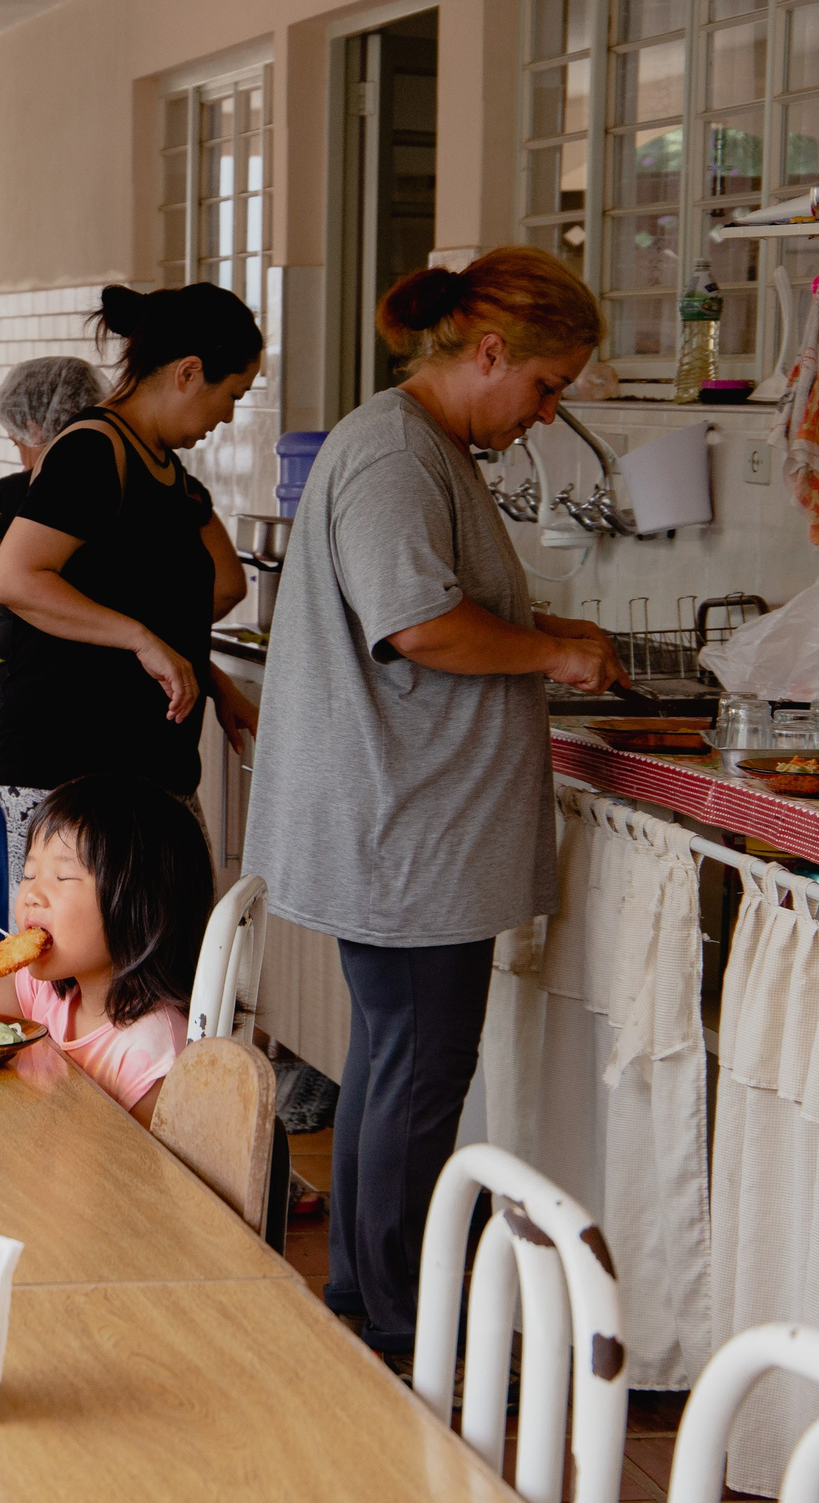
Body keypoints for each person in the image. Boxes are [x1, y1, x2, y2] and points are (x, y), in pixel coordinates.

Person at [243, 248, 628, 1357]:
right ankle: (410, 1333)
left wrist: (547, 642)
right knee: (416, 1075)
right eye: (545, 386)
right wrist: (551, 654)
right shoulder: (394, 456)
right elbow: (418, 624)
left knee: (398, 1066)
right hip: (404, 828)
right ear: (490, 351)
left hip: (408, 821)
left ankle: (371, 1310)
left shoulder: (422, 447)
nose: (545, 413)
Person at [0, 281, 262, 885]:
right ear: (189, 372)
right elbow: (15, 576)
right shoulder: (93, 449)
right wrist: (141, 638)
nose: (228, 415)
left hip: (147, 762)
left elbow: (141, 602)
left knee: (166, 954)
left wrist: (211, 680)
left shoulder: (162, 464)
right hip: (71, 761)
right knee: (74, 965)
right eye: (232, 393)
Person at [0, 775, 210, 1126]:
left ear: (141, 905)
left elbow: (152, 1176)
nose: (31, 894)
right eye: (29, 874)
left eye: (62, 878)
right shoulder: (47, 994)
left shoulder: (152, 1057)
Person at [0, 355, 108, 931]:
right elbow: (227, 583)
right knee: (104, 870)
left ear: (33, 429)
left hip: (17, 708)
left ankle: (17, 1008)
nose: (17, 450)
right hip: (124, 702)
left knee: (25, 865)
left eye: (17, 438)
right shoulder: (152, 486)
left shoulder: (20, 494)